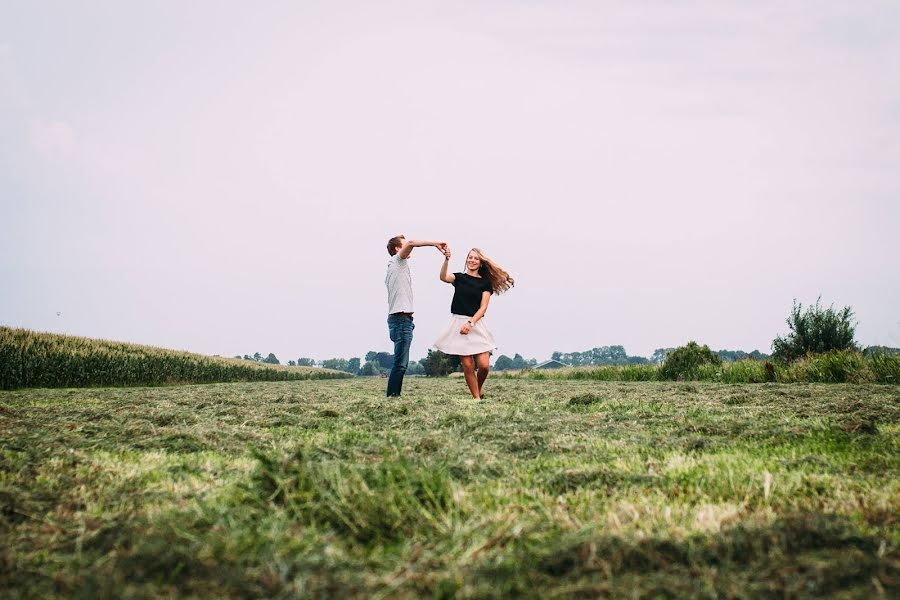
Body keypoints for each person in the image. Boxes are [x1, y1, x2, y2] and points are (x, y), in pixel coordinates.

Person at [434, 247, 514, 399]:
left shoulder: (485, 284)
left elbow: (483, 308)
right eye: (470, 257)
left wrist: (470, 323)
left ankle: (478, 388)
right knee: (468, 365)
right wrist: (446, 259)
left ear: (481, 263)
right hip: (458, 324)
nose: (472, 260)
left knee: (484, 366)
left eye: (476, 258)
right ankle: (477, 398)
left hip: (476, 323)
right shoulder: (459, 278)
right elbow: (443, 276)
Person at [385, 235, 447, 397]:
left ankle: (394, 395)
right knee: (400, 364)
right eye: (404, 245)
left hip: (401, 320)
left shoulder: (395, 266)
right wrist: (435, 243)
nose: (408, 247)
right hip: (400, 320)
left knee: (400, 364)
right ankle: (393, 396)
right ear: (398, 249)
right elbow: (412, 243)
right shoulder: (397, 261)